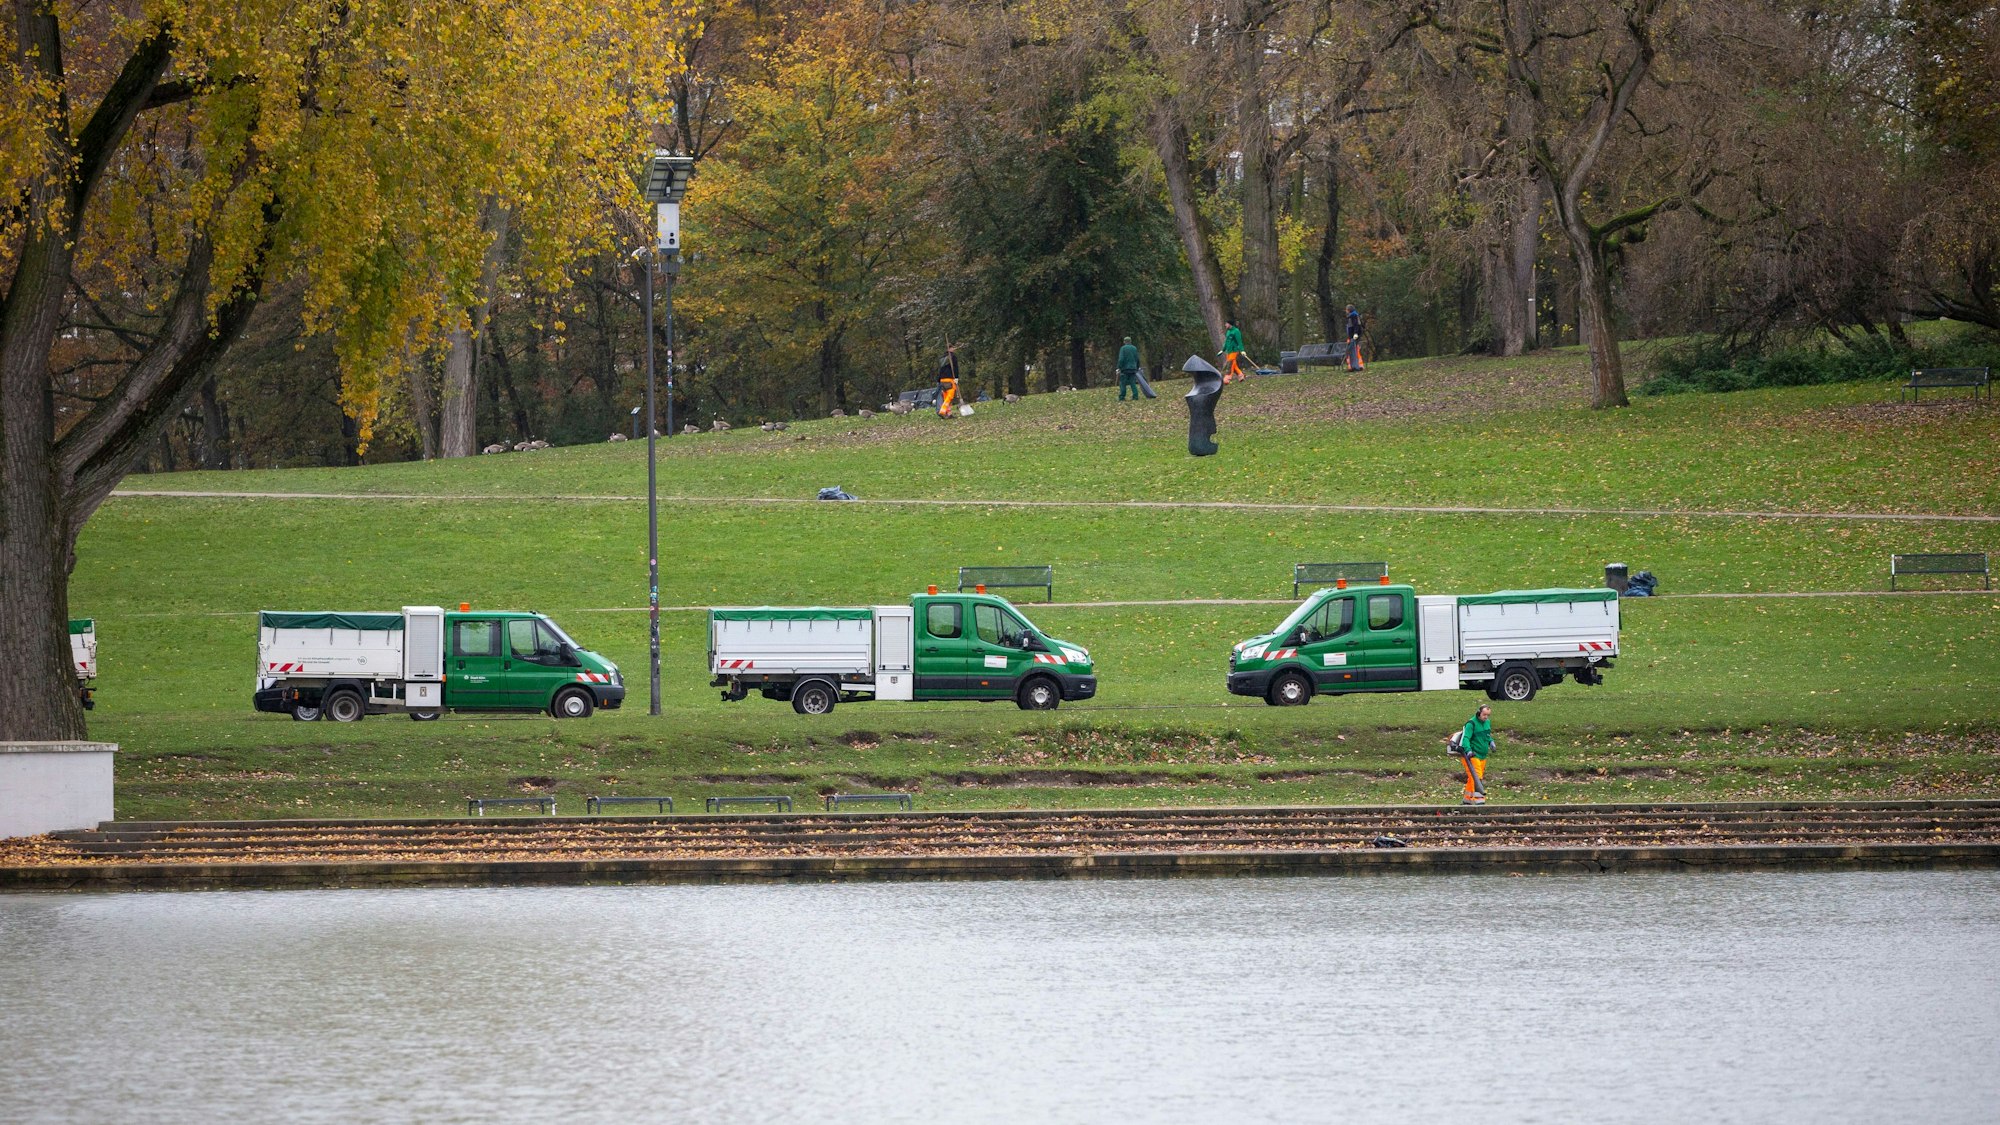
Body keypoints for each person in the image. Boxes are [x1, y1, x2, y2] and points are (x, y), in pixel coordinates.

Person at [1456, 703, 1495, 804]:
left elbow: (1487, 735)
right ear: (1479, 713)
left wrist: (1491, 741)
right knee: (1477, 776)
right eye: (1484, 715)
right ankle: (1479, 800)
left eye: (1488, 715)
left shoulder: (1487, 722)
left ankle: (1467, 799)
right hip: (1472, 755)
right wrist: (1468, 750)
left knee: (1473, 777)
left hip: (1483, 755)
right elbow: (1466, 738)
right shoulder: (1471, 724)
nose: (1486, 717)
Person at [936, 343, 961, 418]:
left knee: (946, 396)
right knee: (950, 395)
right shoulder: (952, 357)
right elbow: (955, 368)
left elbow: (940, 369)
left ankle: (948, 413)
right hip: (949, 378)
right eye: (952, 347)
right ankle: (943, 410)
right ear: (949, 348)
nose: (954, 349)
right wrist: (956, 377)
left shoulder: (942, 358)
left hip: (942, 379)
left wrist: (938, 380)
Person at [1344, 305, 1366, 372]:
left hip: (1354, 336)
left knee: (1353, 350)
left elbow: (1356, 325)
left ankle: (1355, 367)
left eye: (1346, 309)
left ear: (1349, 310)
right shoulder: (1351, 316)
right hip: (1351, 336)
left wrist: (1355, 333)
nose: (1346, 311)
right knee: (1352, 350)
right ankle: (1354, 366)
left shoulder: (1354, 316)